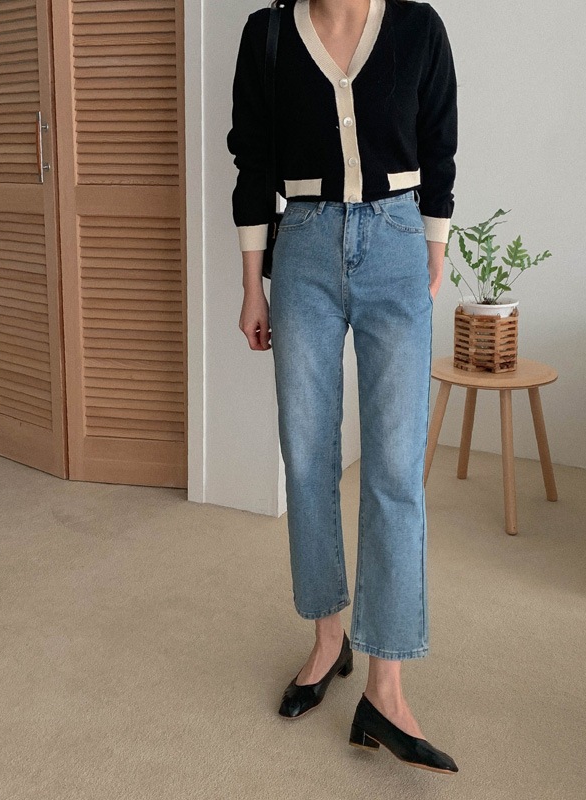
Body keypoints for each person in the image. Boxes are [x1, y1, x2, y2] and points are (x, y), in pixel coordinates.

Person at [227, 0, 458, 774]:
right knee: (307, 456)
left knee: (394, 468)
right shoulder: (266, 34)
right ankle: (328, 641)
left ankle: (385, 688)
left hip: (396, 241)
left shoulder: (417, 28)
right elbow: (252, 159)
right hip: (302, 246)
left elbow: (439, 143)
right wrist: (252, 285)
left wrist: (432, 247)